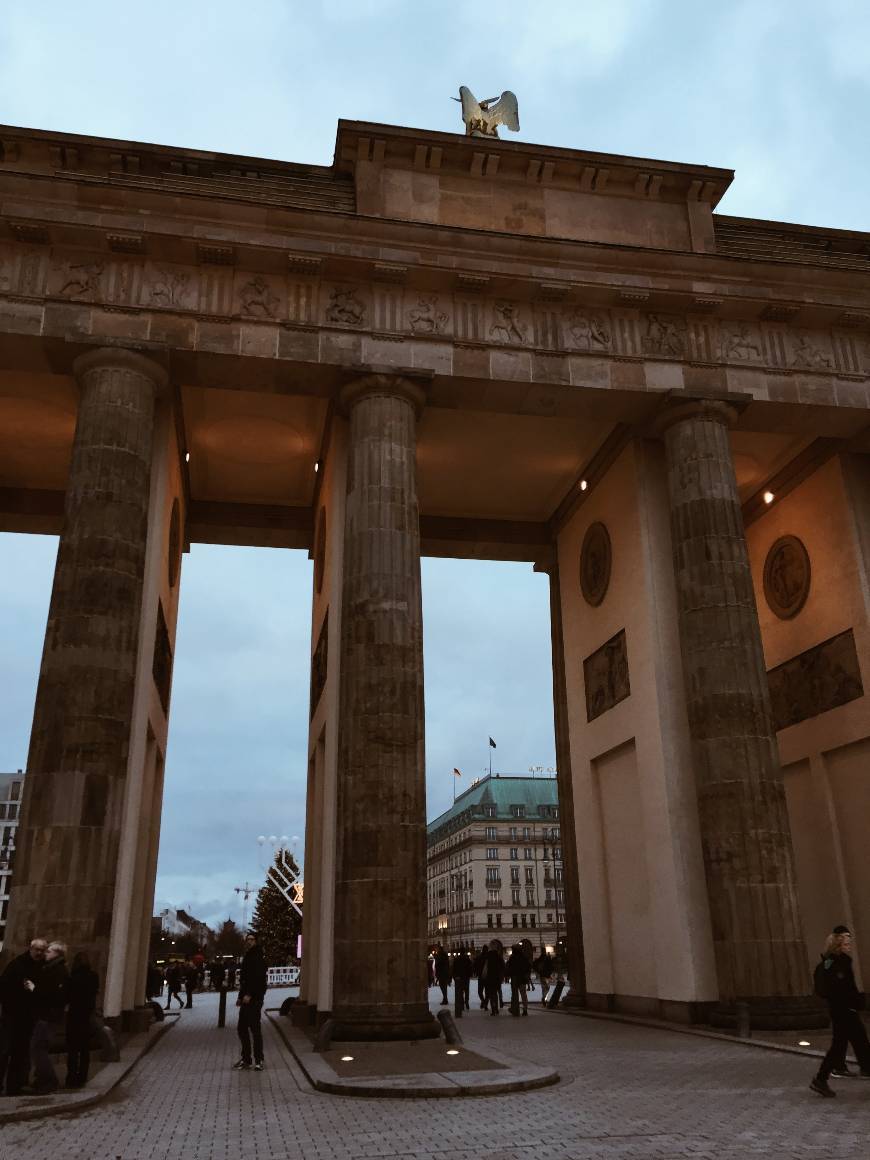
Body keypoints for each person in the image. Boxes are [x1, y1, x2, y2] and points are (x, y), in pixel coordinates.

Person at [810, 925, 870, 1097]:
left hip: (842, 1009)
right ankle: (821, 1079)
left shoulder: (838, 961)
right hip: (844, 1010)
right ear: (838, 944)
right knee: (854, 1042)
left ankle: (821, 1079)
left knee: (848, 1043)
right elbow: (841, 988)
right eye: (846, 942)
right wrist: (855, 1001)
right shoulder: (835, 964)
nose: (849, 945)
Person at [0, 937, 47, 1095]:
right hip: (12, 1015)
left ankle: (15, 1086)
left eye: (42, 950)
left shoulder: (41, 967)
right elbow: (4, 987)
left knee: (20, 1052)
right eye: (37, 950)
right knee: (5, 1050)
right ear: (31, 949)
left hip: (27, 1018)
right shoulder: (18, 965)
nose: (39, 953)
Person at [30, 941, 69, 1094]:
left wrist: (34, 989)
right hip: (47, 1014)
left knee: (38, 1047)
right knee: (38, 1047)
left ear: (57, 954)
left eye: (49, 951)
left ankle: (48, 1080)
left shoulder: (57, 971)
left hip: (48, 1015)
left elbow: (53, 995)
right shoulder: (52, 969)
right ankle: (41, 1079)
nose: (45, 953)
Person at [232, 932, 267, 1072]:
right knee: (242, 1028)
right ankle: (246, 1058)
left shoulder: (257, 956)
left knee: (255, 1030)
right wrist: (241, 997)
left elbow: (257, 979)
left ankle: (259, 1059)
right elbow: (245, 980)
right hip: (247, 998)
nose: (249, 941)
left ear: (256, 941)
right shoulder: (249, 955)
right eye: (248, 939)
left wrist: (250, 995)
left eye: (252, 939)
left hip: (254, 999)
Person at [65, 951, 99, 1088]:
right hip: (87, 1016)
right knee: (85, 1049)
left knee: (73, 1049)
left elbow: (68, 996)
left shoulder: (72, 978)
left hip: (74, 1016)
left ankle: (72, 1077)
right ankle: (83, 1076)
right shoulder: (94, 976)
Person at [507, 944, 532, 1016]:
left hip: (515, 978)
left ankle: (515, 1010)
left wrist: (508, 975)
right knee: (523, 994)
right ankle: (525, 1010)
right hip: (522, 978)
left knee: (515, 995)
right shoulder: (524, 957)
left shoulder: (512, 957)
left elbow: (509, 968)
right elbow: (528, 967)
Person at [481, 939, 505, 1016]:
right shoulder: (498, 956)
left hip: (490, 977)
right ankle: (497, 1009)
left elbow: (485, 967)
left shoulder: (488, 956)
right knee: (496, 993)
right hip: (497, 978)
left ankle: (493, 1010)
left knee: (491, 994)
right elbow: (502, 967)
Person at [452, 947, 473, 1011]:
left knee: (460, 991)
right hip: (466, 977)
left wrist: (454, 976)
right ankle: (466, 1002)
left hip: (459, 978)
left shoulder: (456, 959)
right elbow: (470, 968)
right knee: (466, 990)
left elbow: (454, 968)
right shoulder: (467, 959)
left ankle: (461, 1003)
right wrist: (470, 975)